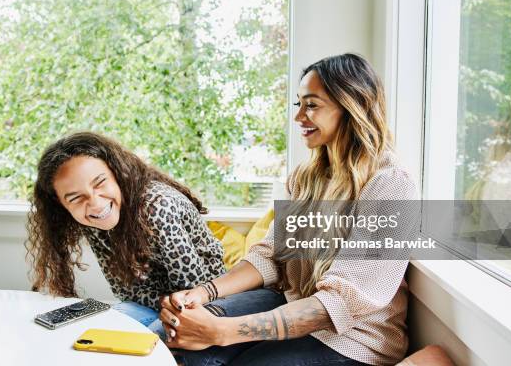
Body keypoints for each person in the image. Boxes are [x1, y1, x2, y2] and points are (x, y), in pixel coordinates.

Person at [159, 53, 418, 366]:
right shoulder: (304, 177)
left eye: (311, 105)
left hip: (354, 338)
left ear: (351, 106)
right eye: (299, 104)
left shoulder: (391, 184)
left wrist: (225, 331)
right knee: (169, 340)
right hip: (295, 302)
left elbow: (341, 302)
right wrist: (203, 293)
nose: (299, 117)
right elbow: (270, 255)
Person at [25, 132, 225, 330]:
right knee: (88, 330)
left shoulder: (157, 207)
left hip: (209, 303)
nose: (95, 204)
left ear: (118, 174)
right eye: (76, 198)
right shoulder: (93, 220)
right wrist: (159, 300)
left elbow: (192, 293)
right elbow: (123, 290)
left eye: (100, 182)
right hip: (156, 304)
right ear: (62, 206)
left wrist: (159, 302)